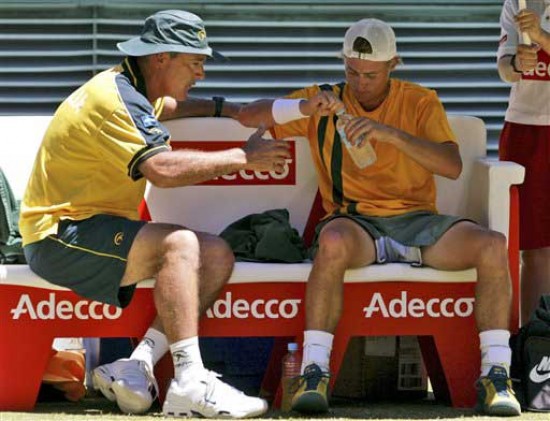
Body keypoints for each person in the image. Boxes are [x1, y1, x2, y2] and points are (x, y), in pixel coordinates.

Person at [238, 18, 522, 416]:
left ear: (393, 66)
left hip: (418, 221)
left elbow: (453, 166)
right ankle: (314, 370)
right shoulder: (326, 98)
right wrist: (301, 109)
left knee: (493, 245)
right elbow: (250, 115)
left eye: (370, 74)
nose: (360, 82)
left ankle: (496, 374)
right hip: (355, 222)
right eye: (351, 71)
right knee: (332, 243)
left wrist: (388, 134)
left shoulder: (420, 100)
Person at [19, 9, 290, 418]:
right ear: (162, 58)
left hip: (89, 228)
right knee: (179, 243)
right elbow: (161, 170)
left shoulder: (129, 85)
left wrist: (231, 110)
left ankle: (138, 362)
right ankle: (188, 381)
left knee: (215, 253)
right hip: (56, 238)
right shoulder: (113, 100)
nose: (201, 73)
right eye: (195, 62)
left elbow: (168, 107)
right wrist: (242, 157)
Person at [497, 0, 550, 325]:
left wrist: (541, 36)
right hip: (524, 129)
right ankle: (535, 345)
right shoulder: (517, 3)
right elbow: (504, 69)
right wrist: (517, 62)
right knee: (532, 248)